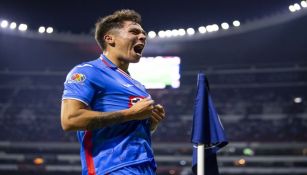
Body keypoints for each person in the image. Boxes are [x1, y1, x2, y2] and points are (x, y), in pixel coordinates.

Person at [61, 9, 165, 175]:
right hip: (111, 168)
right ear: (110, 39)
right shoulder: (88, 71)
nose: (143, 37)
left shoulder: (138, 85)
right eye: (134, 31)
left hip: (145, 168)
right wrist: (130, 114)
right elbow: (70, 119)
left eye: (143, 33)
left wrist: (150, 123)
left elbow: (128, 127)